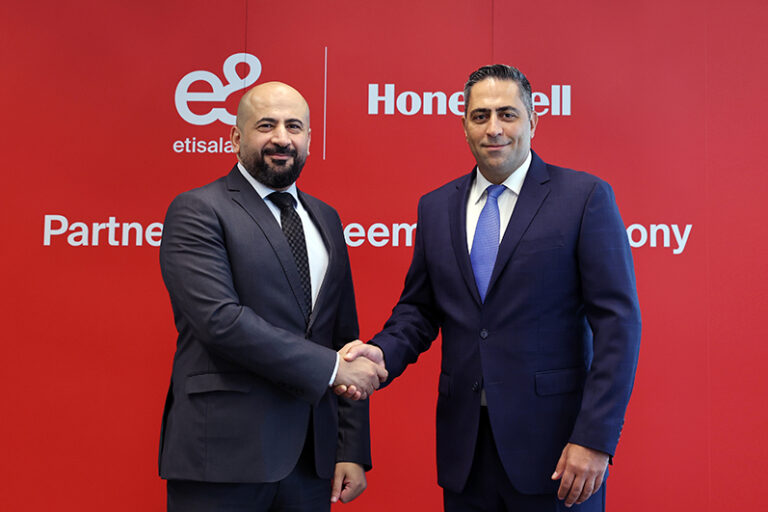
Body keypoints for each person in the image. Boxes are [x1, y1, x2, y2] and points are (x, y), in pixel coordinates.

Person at [341, 65, 641, 511]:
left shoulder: (584, 197)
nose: (494, 128)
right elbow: (419, 310)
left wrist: (594, 438)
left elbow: (618, 326)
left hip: (558, 453)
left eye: (507, 114)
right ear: (464, 126)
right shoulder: (436, 206)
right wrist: (381, 355)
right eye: (480, 116)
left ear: (533, 121)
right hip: (466, 453)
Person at [158, 81, 386, 511]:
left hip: (310, 462)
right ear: (236, 137)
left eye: (294, 126)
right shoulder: (197, 209)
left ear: (309, 140)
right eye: (267, 125)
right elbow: (220, 321)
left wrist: (350, 448)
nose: (282, 138)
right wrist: (333, 368)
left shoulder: (326, 218)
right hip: (223, 456)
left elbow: (343, 336)